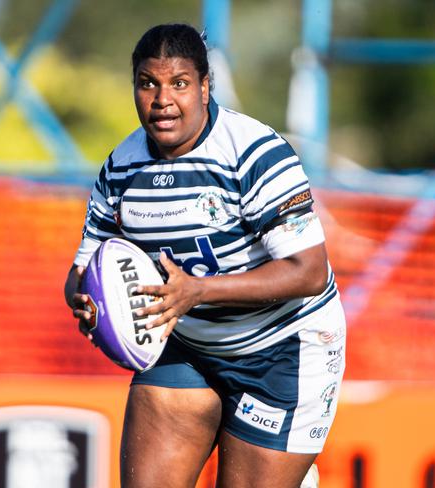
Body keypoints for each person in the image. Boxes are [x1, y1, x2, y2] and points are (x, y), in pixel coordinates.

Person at [64, 23, 345, 488]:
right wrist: (88, 300)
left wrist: (198, 291)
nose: (162, 101)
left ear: (205, 86)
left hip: (284, 351)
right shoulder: (120, 169)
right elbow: (81, 270)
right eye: (147, 83)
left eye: (179, 83)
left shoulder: (255, 153)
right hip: (187, 344)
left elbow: (309, 272)